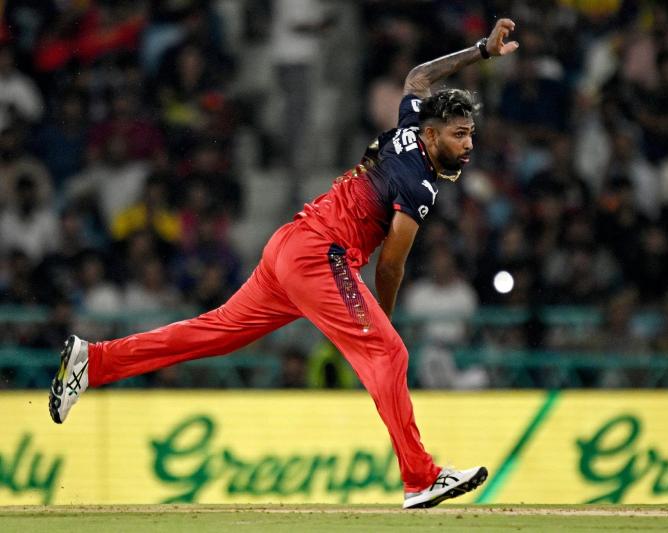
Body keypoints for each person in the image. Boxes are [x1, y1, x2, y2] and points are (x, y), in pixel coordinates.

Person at [48, 18, 520, 509]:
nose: (469, 146)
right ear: (433, 134)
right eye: (460, 135)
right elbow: (390, 266)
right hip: (319, 257)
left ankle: (94, 361)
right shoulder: (417, 184)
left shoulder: (408, 127)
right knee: (390, 354)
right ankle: (421, 478)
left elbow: (419, 77)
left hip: (290, 247)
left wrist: (481, 51)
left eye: (471, 134)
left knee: (213, 333)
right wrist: (382, 319)